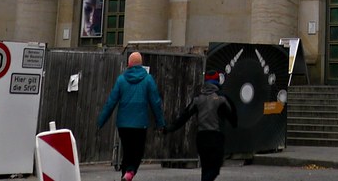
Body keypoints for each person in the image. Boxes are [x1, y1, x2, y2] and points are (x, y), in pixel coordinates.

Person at [97, 51, 167, 181]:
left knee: (127, 152)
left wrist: (101, 121)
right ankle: (130, 172)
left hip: (123, 124)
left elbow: (111, 102)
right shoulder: (148, 79)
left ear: (129, 64)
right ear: (141, 64)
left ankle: (125, 174)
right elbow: (156, 102)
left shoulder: (121, 80)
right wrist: (160, 122)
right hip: (140, 124)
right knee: (138, 153)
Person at [167, 69, 237, 181]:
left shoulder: (197, 99)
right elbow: (233, 118)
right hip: (216, 137)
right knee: (215, 168)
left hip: (202, 137)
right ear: (218, 81)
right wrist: (232, 123)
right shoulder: (222, 98)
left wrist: (170, 128)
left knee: (206, 168)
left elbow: (184, 116)